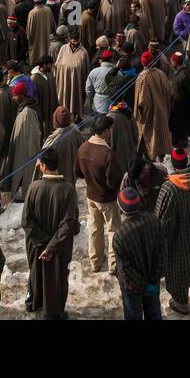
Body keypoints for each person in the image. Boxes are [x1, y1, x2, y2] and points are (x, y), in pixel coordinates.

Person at [23, 148, 80, 319]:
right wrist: (52, 246)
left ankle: (34, 303)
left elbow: (26, 221)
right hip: (59, 247)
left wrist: (44, 243)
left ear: (43, 166)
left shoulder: (33, 188)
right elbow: (68, 224)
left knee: (36, 273)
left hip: (36, 244)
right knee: (57, 277)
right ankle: (53, 311)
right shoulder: (68, 189)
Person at [155, 147, 190, 314]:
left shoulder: (170, 188)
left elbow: (161, 220)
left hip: (179, 241)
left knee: (179, 272)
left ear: (172, 164)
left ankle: (181, 304)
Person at [77, 114, 124, 275]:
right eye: (110, 129)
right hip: (107, 198)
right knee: (113, 231)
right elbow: (114, 181)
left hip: (91, 195)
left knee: (95, 228)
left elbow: (78, 172)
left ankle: (95, 261)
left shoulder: (83, 148)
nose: (111, 131)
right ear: (104, 131)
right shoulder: (108, 154)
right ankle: (113, 264)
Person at [112, 186, 165, 320]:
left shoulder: (120, 235)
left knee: (133, 315)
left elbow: (125, 271)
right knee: (153, 312)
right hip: (152, 280)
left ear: (121, 209)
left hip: (132, 289)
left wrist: (141, 286)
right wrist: (152, 280)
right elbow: (161, 252)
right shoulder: (154, 221)